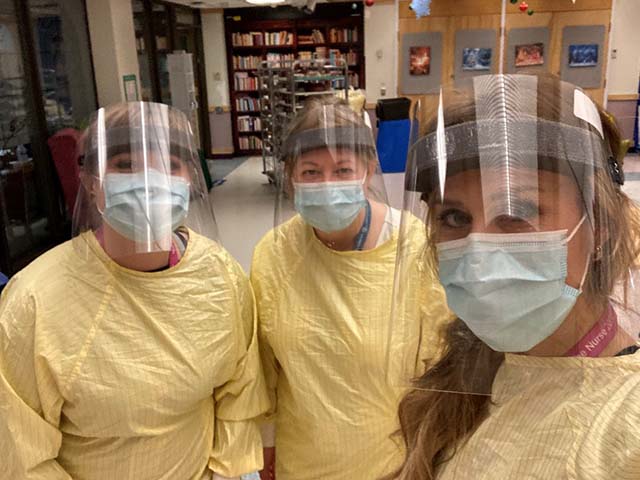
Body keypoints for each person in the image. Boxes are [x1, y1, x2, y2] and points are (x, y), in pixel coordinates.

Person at [389, 73, 640, 480]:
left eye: (517, 213)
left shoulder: (627, 429)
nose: (478, 249)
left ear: (600, 226)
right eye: (454, 217)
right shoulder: (468, 373)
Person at [0, 102, 269, 480]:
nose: (150, 180)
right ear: (91, 180)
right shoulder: (33, 301)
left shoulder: (220, 276)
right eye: (126, 165)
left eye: (169, 164)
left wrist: (227, 472)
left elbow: (238, 399)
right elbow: (21, 455)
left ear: (189, 177)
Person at [250, 97, 448, 480]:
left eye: (343, 170)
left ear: (369, 170)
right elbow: (265, 369)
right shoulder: (274, 255)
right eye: (310, 171)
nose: (328, 184)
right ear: (289, 175)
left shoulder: (413, 246)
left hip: (395, 460)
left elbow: (442, 364)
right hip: (303, 460)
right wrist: (266, 442)